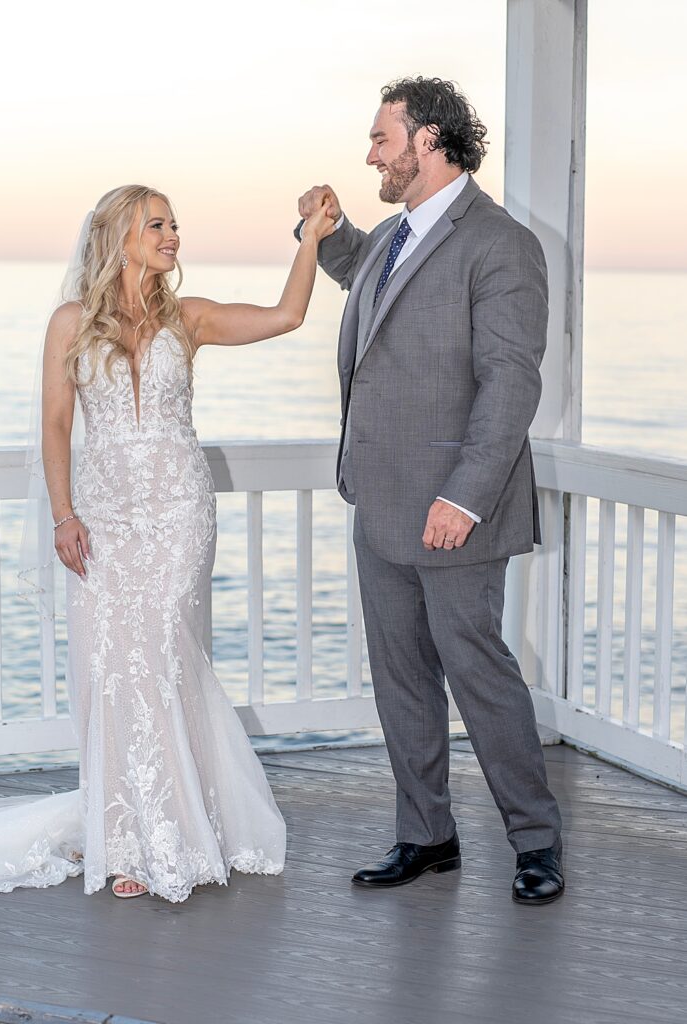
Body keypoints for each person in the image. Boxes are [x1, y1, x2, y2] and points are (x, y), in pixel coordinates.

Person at [0, 185, 335, 915]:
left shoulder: (190, 317)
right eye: (158, 225)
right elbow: (56, 426)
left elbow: (286, 314)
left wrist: (309, 237)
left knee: (158, 660)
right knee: (111, 668)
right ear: (120, 236)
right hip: (105, 518)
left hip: (179, 513)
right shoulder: (69, 324)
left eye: (176, 224)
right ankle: (127, 838)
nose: (173, 235)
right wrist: (63, 513)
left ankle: (177, 827)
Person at [297, 77, 564, 905]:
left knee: (478, 675)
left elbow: (510, 384)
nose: (369, 153)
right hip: (377, 502)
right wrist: (332, 230)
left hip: (454, 511)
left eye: (381, 139)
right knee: (401, 677)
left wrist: (465, 496)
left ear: (429, 141)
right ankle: (426, 835)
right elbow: (367, 289)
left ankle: (536, 842)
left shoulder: (500, 244)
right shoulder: (388, 237)